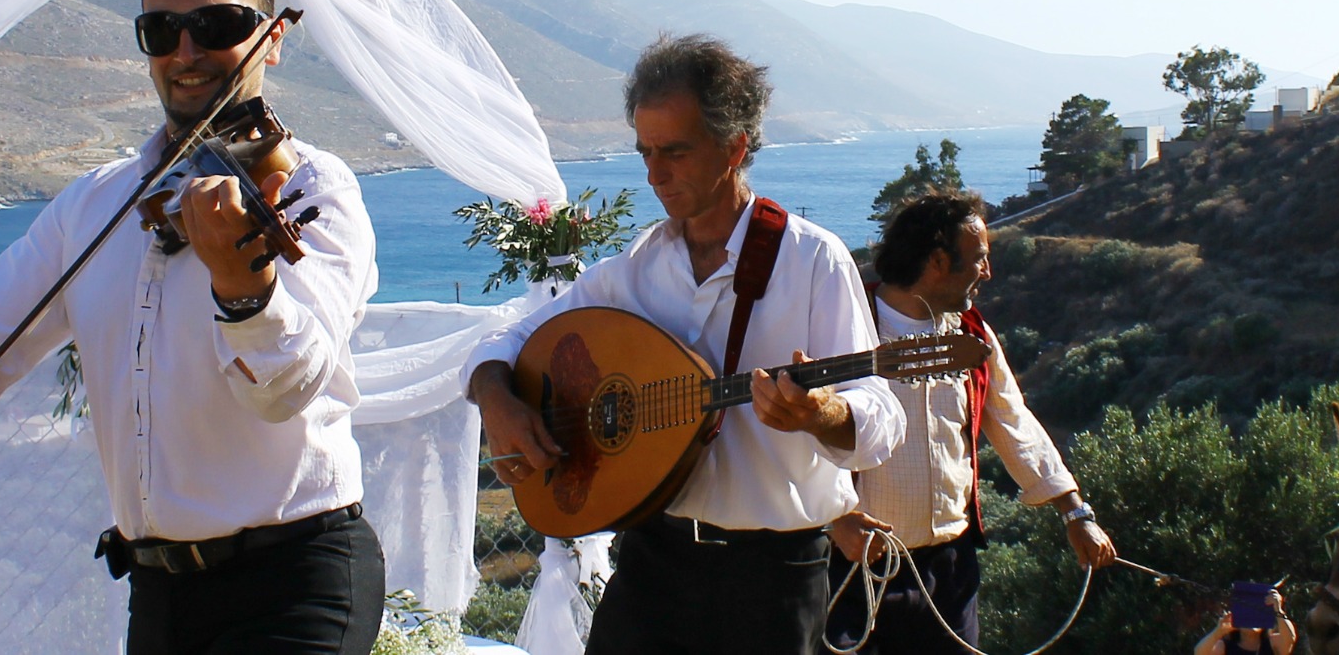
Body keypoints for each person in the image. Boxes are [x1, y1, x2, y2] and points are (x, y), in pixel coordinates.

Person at [0, 0, 384, 654]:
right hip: (160, 591)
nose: (186, 51)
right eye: (161, 29)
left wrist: (244, 292)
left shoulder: (311, 190)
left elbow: (286, 389)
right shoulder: (97, 201)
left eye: (217, 24)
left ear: (272, 37)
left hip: (295, 580)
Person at [468, 34, 905, 655]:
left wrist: (823, 414)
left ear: (735, 148)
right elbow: (508, 337)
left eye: (675, 151)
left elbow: (881, 416)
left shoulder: (810, 260)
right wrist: (496, 398)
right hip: (653, 563)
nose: (654, 174)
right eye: (645, 152)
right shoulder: (632, 274)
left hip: (774, 578)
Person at [823, 188, 1115, 653]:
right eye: (978, 258)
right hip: (855, 570)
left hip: (950, 571)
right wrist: (833, 517)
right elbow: (795, 436)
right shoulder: (844, 329)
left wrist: (1074, 511)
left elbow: (1014, 422)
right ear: (938, 261)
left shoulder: (973, 335)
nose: (988, 272)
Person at [1194, 590, 1300, 655]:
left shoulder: (1273, 644)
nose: (1251, 620)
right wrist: (1217, 633)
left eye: (1256, 614)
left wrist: (1278, 609)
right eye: (1247, 614)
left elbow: (1290, 637)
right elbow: (1199, 653)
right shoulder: (1225, 647)